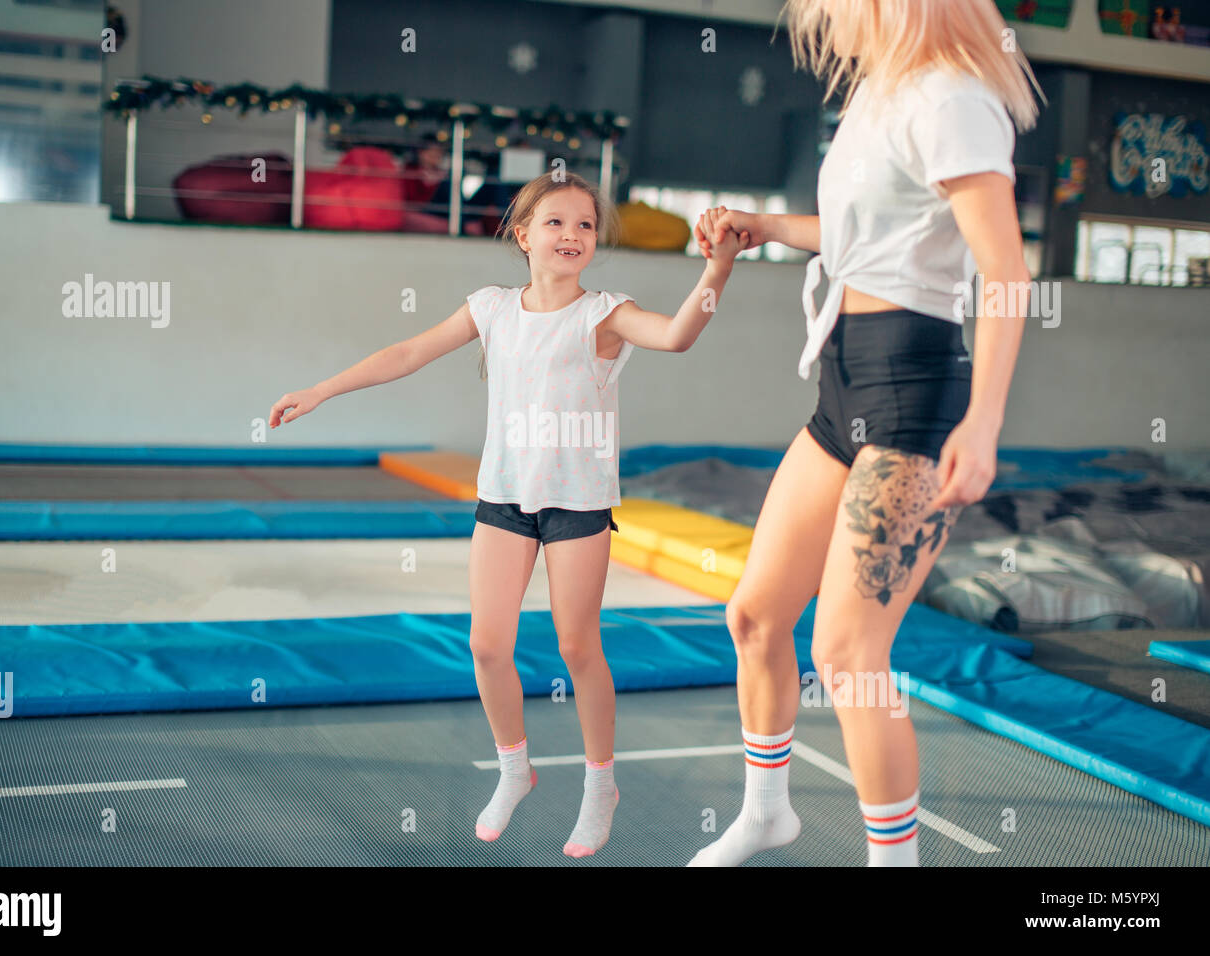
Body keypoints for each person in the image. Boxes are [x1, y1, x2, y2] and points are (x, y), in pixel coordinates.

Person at [269, 171, 748, 857]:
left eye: (585, 225)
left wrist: (717, 268)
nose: (572, 235)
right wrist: (323, 389)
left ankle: (600, 786)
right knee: (487, 646)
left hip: (578, 504)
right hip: (504, 500)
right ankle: (515, 769)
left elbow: (676, 336)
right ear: (523, 235)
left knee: (578, 647)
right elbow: (409, 352)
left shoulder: (604, 314)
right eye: (555, 222)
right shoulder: (491, 307)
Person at [689, 0, 1043, 866]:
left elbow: (1005, 270)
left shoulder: (955, 98)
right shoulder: (879, 96)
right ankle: (767, 814)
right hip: (842, 385)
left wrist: (985, 421)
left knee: (848, 653)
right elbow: (864, 237)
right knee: (755, 616)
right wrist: (767, 228)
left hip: (915, 394)